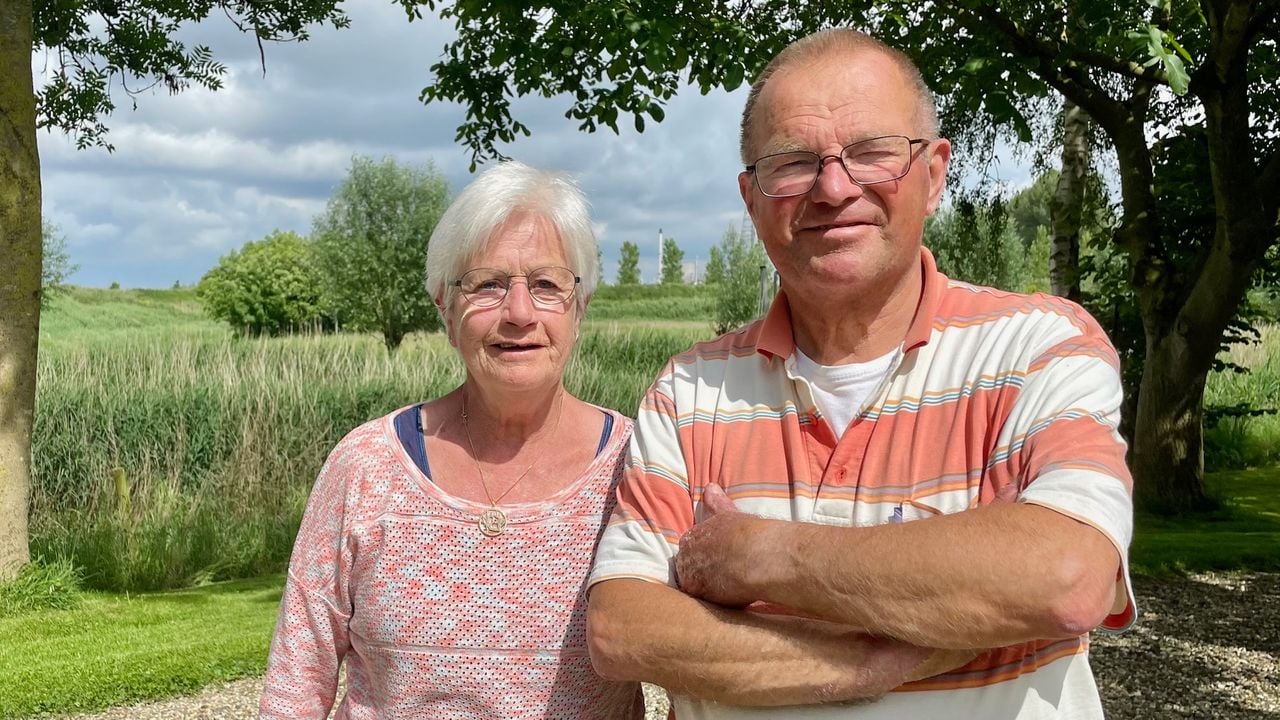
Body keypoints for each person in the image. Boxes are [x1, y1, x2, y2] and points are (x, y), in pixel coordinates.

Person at [586, 28, 1136, 719]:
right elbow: (624, 629)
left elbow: (1065, 577)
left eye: (872, 152)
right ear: (752, 198)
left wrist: (758, 557)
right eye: (793, 163)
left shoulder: (1037, 347)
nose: (833, 187)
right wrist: (882, 657)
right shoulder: (690, 389)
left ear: (934, 174)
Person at [259, 161, 644, 719]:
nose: (519, 313)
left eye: (545, 284)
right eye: (487, 284)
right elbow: (296, 687)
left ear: (579, 308)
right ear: (445, 306)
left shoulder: (637, 465)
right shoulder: (366, 466)